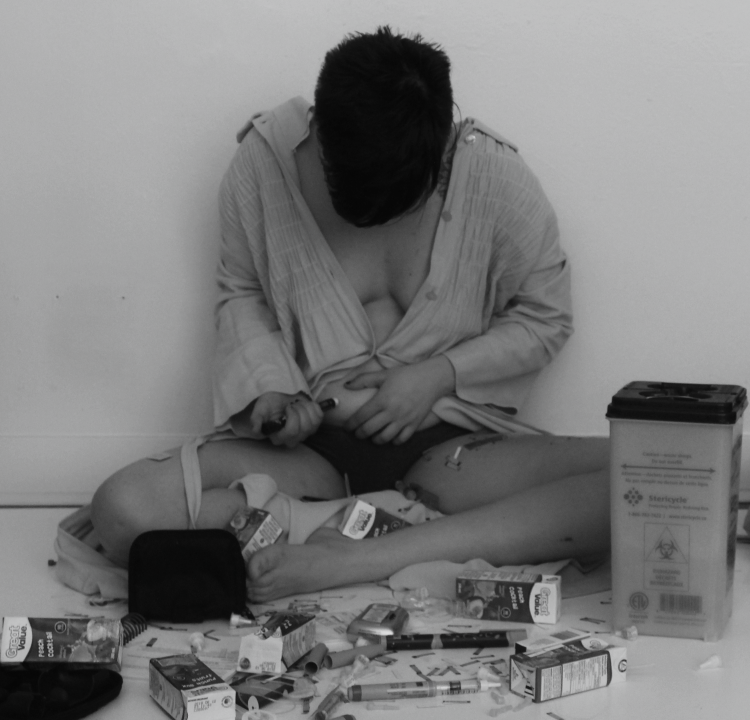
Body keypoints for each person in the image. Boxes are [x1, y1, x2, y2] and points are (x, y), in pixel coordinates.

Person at [91, 27, 610, 602]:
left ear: (441, 154)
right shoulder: (262, 167)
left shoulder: (494, 177)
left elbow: (545, 317)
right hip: (309, 460)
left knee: (643, 480)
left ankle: (347, 556)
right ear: (319, 131)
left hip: (452, 458)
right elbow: (242, 292)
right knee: (123, 510)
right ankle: (409, 534)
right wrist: (273, 395)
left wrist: (439, 374)